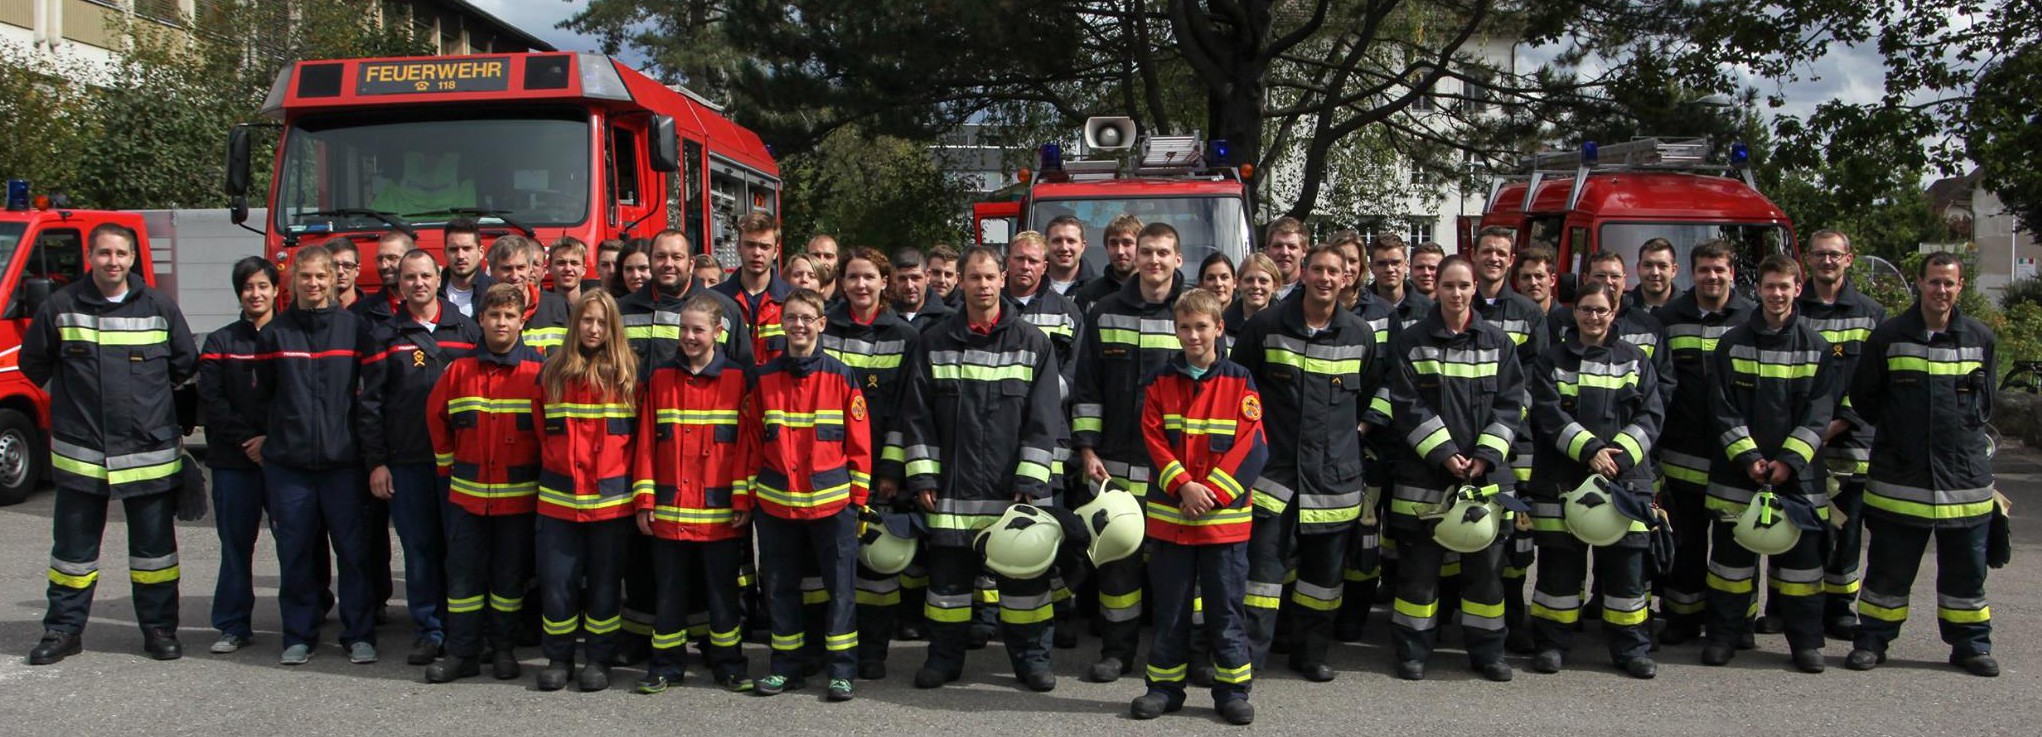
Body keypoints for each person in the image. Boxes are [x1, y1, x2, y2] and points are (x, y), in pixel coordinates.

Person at [24, 222, 197, 665]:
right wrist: (70, 406)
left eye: (121, 253)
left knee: (155, 555)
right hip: (83, 455)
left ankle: (159, 630)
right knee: (72, 556)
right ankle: (63, 630)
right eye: (104, 253)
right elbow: (34, 362)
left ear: (133, 258)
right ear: (90, 256)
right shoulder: (60, 306)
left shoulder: (159, 306)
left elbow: (183, 367)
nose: (113, 261)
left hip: (148, 456)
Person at [900, 246, 1065, 692]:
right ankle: (944, 659)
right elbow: (916, 416)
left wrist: (1031, 480)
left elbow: (1044, 419)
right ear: (961, 283)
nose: (984, 285)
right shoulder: (934, 343)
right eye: (974, 278)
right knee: (947, 591)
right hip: (951, 490)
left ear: (1004, 278)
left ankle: (1031, 661)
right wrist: (923, 477)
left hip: (1012, 494)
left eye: (991, 276)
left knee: (1024, 589)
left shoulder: (1033, 343)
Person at [1229, 245, 1383, 681]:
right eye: (1317, 269)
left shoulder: (1359, 334)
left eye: (1335, 271)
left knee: (1322, 578)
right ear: (1302, 273)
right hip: (1272, 474)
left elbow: (1370, 394)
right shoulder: (1265, 326)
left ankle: (1311, 652)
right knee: (1261, 577)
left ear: (1347, 278)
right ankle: (1249, 657)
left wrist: (1357, 433)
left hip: (1332, 478)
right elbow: (1239, 388)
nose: (1325, 278)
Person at [1845, 251, 2000, 677]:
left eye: (1949, 282)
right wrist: (1901, 438)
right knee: (1887, 570)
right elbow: (1865, 399)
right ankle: (1873, 640)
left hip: (1964, 480)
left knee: (1967, 573)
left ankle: (1970, 645)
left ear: (1960, 286)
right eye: (1934, 281)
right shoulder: (1890, 337)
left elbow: (1985, 405)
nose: (1941, 290)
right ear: (1919, 283)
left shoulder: (1980, 338)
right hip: (1900, 476)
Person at [1384, 255, 1524, 682]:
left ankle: (1487, 653)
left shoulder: (1499, 343)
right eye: (1448, 285)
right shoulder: (1411, 341)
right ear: (1436, 289)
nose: (1457, 293)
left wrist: (1485, 455)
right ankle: (1412, 652)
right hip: (1425, 478)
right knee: (1418, 577)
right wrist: (1443, 452)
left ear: (1475, 288)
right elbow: (1406, 404)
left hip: (1483, 478)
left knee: (1486, 577)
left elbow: (1511, 404)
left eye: (1464, 285)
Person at [1130, 288, 1266, 726]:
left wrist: (1211, 493)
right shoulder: (1158, 383)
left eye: (1201, 326)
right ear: (1175, 329)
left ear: (1219, 328)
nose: (1193, 334)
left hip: (1224, 524)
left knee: (1226, 609)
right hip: (1172, 521)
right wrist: (1185, 486)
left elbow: (1253, 446)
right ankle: (1163, 689)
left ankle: (1231, 692)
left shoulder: (1240, 380)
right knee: (1170, 609)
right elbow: (1151, 441)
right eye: (1185, 326)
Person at [1701, 254, 1836, 673]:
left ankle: (1805, 644)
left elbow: (1819, 411)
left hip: (1798, 479)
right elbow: (1721, 408)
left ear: (1799, 289)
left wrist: (1789, 462)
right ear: (1756, 290)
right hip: (1737, 475)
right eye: (1769, 286)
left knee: (1801, 570)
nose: (1776, 294)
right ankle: (1724, 637)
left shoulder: (1817, 347)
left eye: (1785, 286)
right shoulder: (1733, 342)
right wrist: (1749, 459)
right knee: (1729, 566)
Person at [1524, 283, 1664, 678]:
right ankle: (1552, 644)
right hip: (1562, 478)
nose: (1593, 317)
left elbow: (1651, 415)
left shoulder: (1636, 360)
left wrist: (1614, 456)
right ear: (1575, 313)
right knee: (1557, 571)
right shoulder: (1550, 360)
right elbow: (1548, 415)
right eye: (1586, 309)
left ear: (1614, 311)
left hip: (1625, 479)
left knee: (1626, 573)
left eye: (1601, 310)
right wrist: (1590, 452)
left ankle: (1630, 648)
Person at [741, 288, 872, 701]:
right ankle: (785, 668)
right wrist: (749, 497)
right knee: (778, 588)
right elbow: (749, 442)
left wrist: (858, 500)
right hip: (777, 504)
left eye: (806, 318)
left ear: (821, 324)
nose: (798, 325)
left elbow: (860, 442)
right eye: (792, 317)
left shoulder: (841, 375)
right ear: (783, 324)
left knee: (841, 591)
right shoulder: (762, 379)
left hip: (832, 506)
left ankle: (842, 671)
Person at [1073, 222, 1190, 683]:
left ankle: (1172, 654)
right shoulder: (1104, 310)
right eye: (1147, 252)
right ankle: (1116, 652)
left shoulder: (1193, 309)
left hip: (1174, 471)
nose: (1154, 260)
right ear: (1135, 257)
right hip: (1115, 466)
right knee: (1117, 569)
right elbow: (1087, 386)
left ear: (1178, 259)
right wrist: (1086, 449)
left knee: (1173, 571)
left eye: (1164, 252)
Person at [255, 244, 378, 666]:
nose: (313, 284)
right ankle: (299, 635)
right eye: (305, 277)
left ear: (333, 280)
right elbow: (265, 395)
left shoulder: (353, 330)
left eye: (320, 277)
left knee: (354, 554)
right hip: (289, 466)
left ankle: (359, 634)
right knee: (296, 554)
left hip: (343, 464)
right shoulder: (275, 334)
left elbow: (369, 397)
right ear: (293, 282)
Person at [631, 293, 758, 694]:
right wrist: (644, 501)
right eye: (683, 328)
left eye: (697, 329)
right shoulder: (661, 379)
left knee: (722, 596)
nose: (688, 336)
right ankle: (665, 665)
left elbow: (746, 447)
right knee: (668, 594)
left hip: (719, 512)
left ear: (719, 333)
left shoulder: (738, 381)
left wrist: (742, 500)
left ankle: (729, 664)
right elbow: (646, 445)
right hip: (670, 511)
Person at [359, 249, 480, 667]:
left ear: (438, 277)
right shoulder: (384, 336)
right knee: (419, 548)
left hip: (459, 462)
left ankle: (464, 629)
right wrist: (377, 462)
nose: (418, 284)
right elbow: (370, 406)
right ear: (399, 283)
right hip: (407, 461)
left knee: (460, 548)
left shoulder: (466, 330)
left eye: (426, 275)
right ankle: (429, 630)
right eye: (410, 277)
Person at [423, 282, 546, 683]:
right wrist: (448, 469)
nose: (501, 322)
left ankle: (504, 649)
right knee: (463, 580)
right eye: (494, 315)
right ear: (481, 320)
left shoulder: (539, 372)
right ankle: (463, 653)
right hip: (467, 499)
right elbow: (436, 419)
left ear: (522, 320)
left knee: (509, 580)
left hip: (518, 500)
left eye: (510, 315)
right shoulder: (458, 371)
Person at [821, 247, 924, 680]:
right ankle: (824, 649)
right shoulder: (825, 328)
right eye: (852, 277)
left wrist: (889, 472)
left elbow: (908, 411)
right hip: (825, 468)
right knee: (828, 566)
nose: (860, 285)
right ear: (841, 283)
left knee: (876, 567)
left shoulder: (904, 336)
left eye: (869, 278)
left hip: (879, 471)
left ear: (886, 283)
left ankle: (873, 652)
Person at [532, 291, 640, 692]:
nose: (593, 329)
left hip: (610, 507)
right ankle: (558, 659)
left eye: (601, 323)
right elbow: (542, 434)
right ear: (574, 324)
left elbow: (639, 441)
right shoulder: (552, 374)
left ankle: (599, 658)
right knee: (557, 587)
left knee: (605, 588)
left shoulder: (628, 376)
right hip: (559, 505)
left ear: (612, 328)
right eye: (586, 321)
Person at [1655, 239, 1754, 644]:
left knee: (1737, 543)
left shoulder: (1752, 316)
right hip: (1684, 448)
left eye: (1719, 269)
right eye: (1704, 270)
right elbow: (1660, 380)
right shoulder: (1668, 317)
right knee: (1688, 541)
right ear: (1690, 273)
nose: (1712, 277)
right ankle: (1682, 617)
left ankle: (1737, 622)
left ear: (1732, 272)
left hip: (1737, 452)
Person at [1793, 230, 1886, 641]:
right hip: (1799, 440)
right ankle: (1785, 604)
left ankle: (1839, 607)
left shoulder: (1872, 314)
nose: (1826, 262)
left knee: (1846, 529)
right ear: (1807, 260)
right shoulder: (1791, 308)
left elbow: (1875, 379)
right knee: (1798, 524)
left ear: (1849, 259)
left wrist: (1840, 421)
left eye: (1834, 255)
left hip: (1850, 441)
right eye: (1819, 255)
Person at [1469, 227, 1547, 652]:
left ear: (1511, 259)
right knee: (1468, 526)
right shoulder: (1462, 302)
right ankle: (1468, 620)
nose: (1494, 259)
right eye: (1487, 251)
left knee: (1517, 534)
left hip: (1518, 441)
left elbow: (1537, 377)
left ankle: (1514, 618)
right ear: (1474, 255)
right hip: (1467, 442)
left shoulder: (1529, 313)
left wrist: (1502, 418)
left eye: (1501, 253)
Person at [198, 256, 280, 655]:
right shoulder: (220, 341)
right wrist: (249, 441)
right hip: (233, 462)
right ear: (239, 293)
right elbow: (212, 400)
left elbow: (299, 396)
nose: (256, 293)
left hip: (283, 460)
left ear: (277, 290)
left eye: (263, 285)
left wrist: (271, 440)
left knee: (297, 545)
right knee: (235, 546)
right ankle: (233, 624)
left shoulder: (290, 337)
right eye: (248, 287)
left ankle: (306, 619)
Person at [715, 213, 795, 364]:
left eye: (765, 246)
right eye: (750, 245)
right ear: (738, 248)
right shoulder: (715, 300)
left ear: (776, 251)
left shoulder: (793, 301)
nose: (757, 253)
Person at [489, 236, 571, 355]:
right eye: (507, 269)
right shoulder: (484, 309)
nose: (515, 276)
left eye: (520, 267)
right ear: (492, 271)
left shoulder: (558, 307)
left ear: (529, 269)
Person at [1074, 214, 1144, 309]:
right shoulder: (1088, 296)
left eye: (1127, 243)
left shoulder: (1156, 294)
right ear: (1106, 247)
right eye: (1113, 243)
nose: (1120, 251)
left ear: (1141, 247)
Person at [440, 217, 494, 317]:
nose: (460, 256)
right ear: (445, 253)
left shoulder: (495, 292)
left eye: (467, 249)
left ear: (481, 252)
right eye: (453, 249)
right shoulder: (434, 292)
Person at [891, 248, 954, 332]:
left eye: (915, 278)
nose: (909, 286)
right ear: (893, 279)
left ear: (927, 276)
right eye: (902, 279)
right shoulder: (881, 318)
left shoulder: (950, 319)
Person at [355, 231, 414, 321]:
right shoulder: (361, 313)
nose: (384, 266)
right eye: (380, 259)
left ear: (411, 259)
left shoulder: (435, 307)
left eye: (392, 258)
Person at [1223, 253, 1281, 341]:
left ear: (1275, 285)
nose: (1256, 286)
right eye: (1249, 280)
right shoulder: (1221, 325)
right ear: (1238, 283)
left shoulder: (1287, 325)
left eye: (1263, 281)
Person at [1628, 238, 1680, 315]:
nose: (1655, 273)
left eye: (1662, 266)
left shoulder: (1690, 310)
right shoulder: (1621, 309)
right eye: (1648, 265)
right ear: (1638, 268)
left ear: (1673, 270)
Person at [1261, 217, 1307, 301]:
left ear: (1304, 251)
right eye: (1278, 246)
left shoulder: (1312, 291)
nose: (1284, 252)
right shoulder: (1253, 289)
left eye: (1292, 247)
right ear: (1267, 250)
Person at [1044, 214, 1090, 297]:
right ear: (1046, 244)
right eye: (1057, 241)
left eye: (1071, 241)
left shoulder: (1098, 290)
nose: (1064, 248)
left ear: (1083, 246)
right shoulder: (1030, 286)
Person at [1512, 245, 1557, 314]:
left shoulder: (1568, 320)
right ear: (1517, 282)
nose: (1533, 282)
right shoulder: (1505, 317)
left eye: (1539, 276)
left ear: (1552, 280)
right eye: (1526, 277)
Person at [329, 238, 367, 311]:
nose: (340, 272)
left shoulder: (372, 312)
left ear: (357, 270)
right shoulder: (312, 312)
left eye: (347, 265)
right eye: (334, 265)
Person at [550, 236, 588, 304]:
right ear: (550, 268)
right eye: (561, 263)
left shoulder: (593, 306)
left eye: (574, 263)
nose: (568, 268)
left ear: (583, 270)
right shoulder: (539, 307)